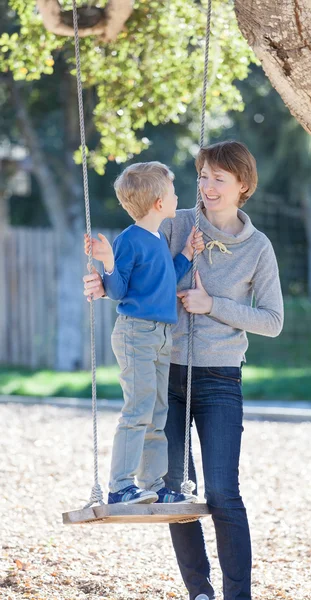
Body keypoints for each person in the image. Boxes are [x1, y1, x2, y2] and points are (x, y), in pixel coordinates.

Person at [83, 142, 284, 600]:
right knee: (177, 494)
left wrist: (214, 306)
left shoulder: (258, 247)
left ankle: (238, 595)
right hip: (164, 370)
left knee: (223, 494)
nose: (207, 188)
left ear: (243, 186)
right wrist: (103, 279)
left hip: (219, 379)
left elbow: (273, 320)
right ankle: (200, 592)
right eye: (203, 177)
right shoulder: (175, 221)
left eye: (219, 179)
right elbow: (132, 267)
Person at [84, 161, 205, 506]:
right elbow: (119, 290)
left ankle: (153, 485)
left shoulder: (155, 239)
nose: (178, 197)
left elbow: (166, 278)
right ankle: (120, 486)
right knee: (138, 410)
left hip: (162, 335)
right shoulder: (129, 240)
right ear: (158, 204)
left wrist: (186, 253)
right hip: (136, 333)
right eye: (172, 192)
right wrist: (107, 261)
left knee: (158, 412)